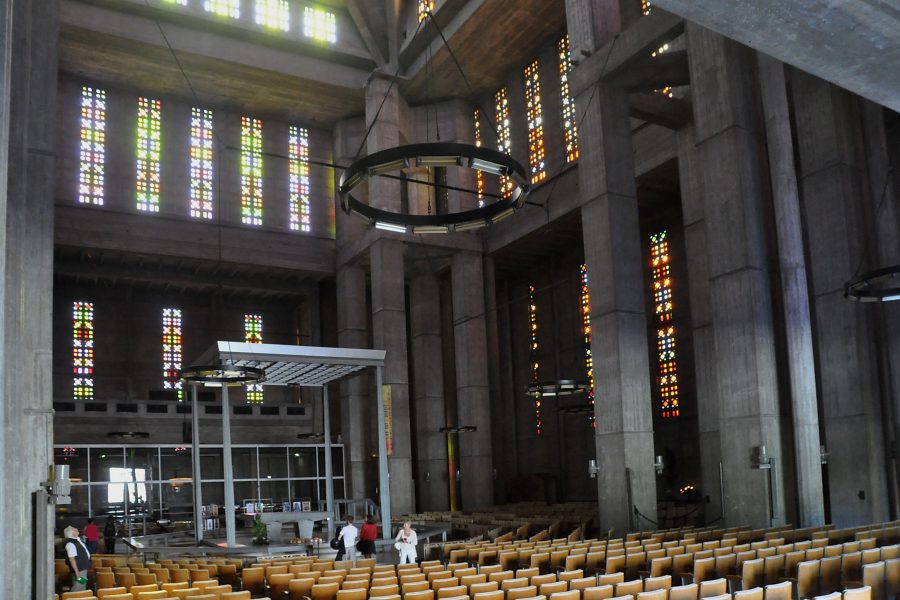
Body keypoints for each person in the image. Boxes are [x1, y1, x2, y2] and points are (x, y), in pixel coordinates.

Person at [64, 526, 91, 592]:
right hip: (79, 570)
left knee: (82, 586)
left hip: (82, 568)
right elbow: (72, 559)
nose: (76, 529)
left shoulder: (77, 540)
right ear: (72, 533)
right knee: (77, 588)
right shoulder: (70, 544)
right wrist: (77, 572)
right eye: (74, 529)